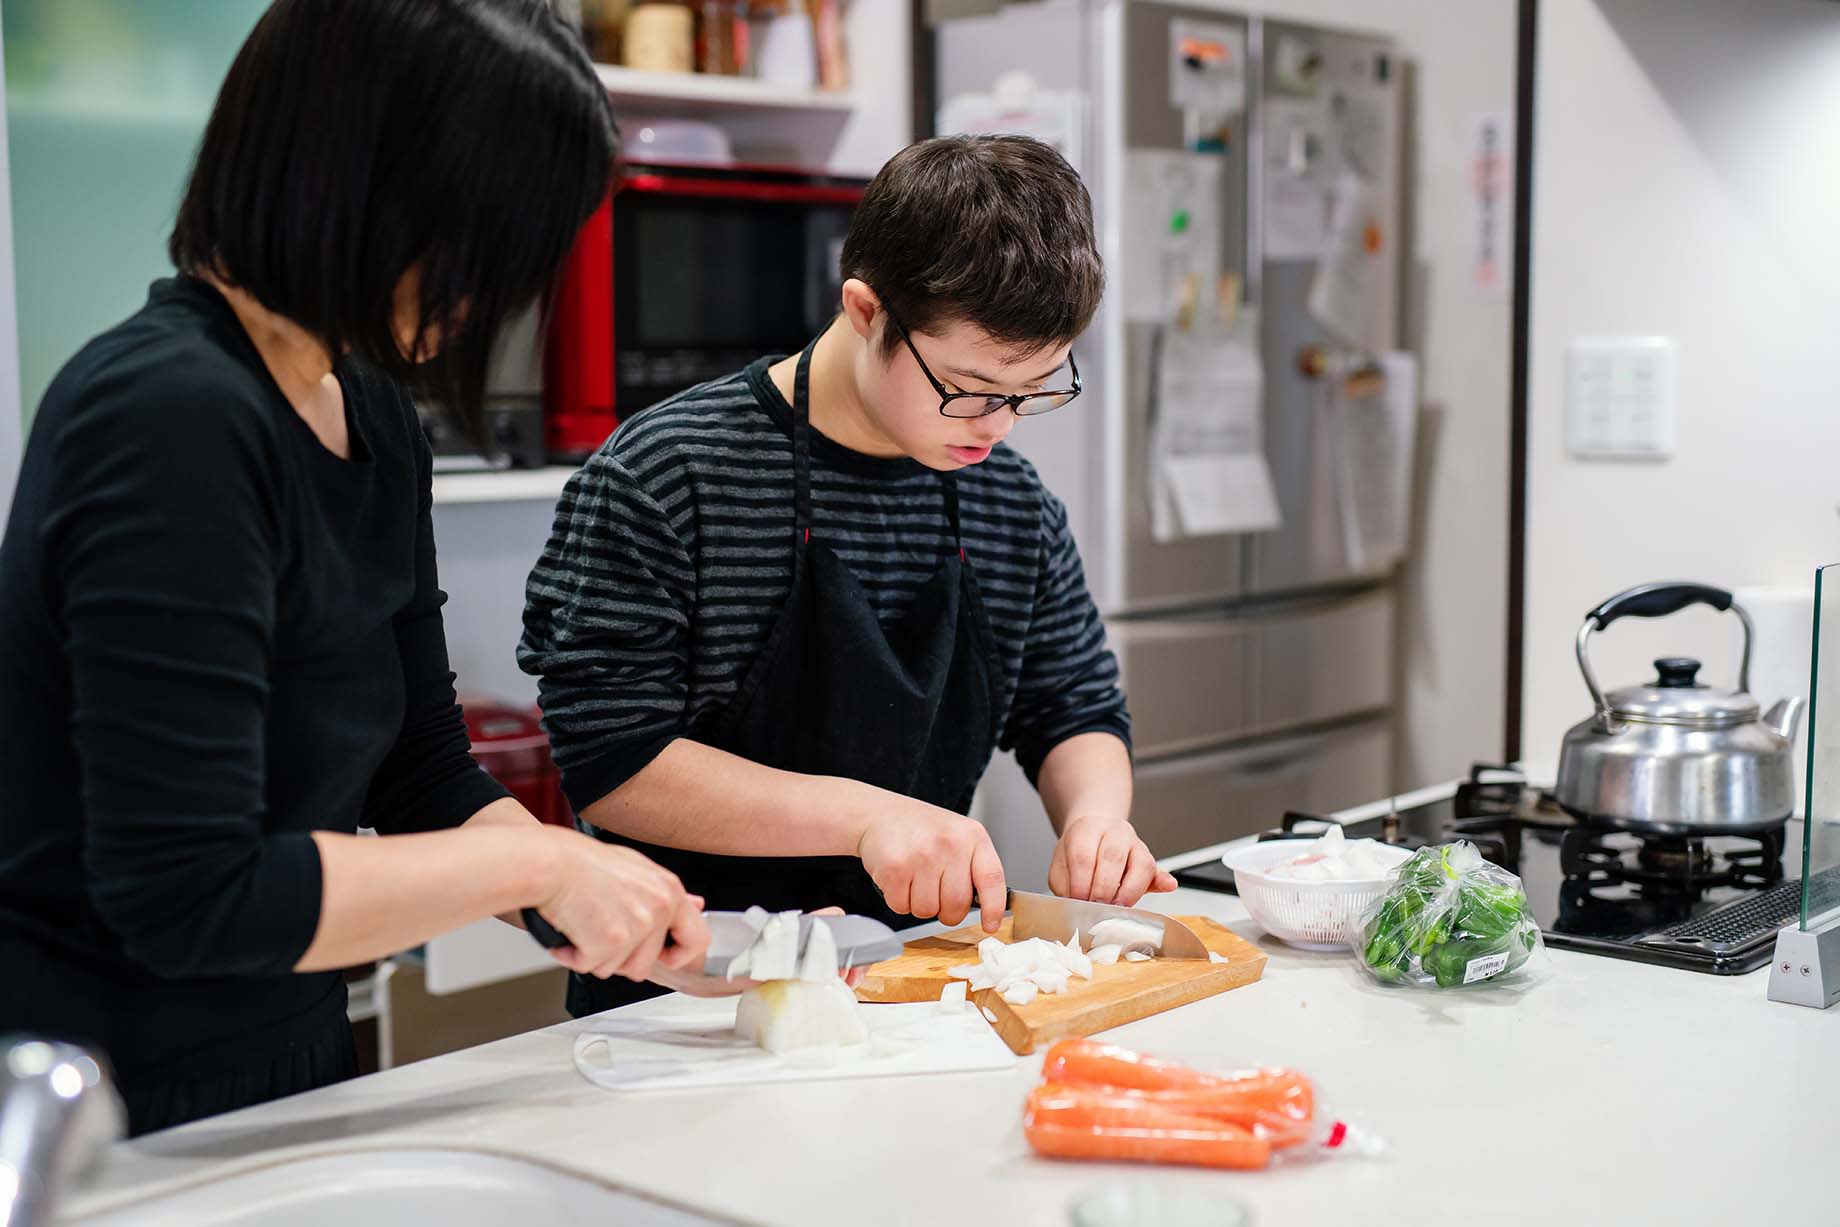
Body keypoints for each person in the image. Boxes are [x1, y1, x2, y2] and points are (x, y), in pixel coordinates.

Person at [0, 0, 724, 1137]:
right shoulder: (166, 416)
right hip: (101, 1098)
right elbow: (192, 893)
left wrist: (588, 897)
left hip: (293, 1057)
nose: (490, 298)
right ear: (369, 187)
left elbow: (421, 771)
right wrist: (536, 871)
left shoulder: (373, 411)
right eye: (485, 247)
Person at [520, 135, 1178, 1017]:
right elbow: (612, 760)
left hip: (914, 991)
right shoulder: (666, 477)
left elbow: (1075, 705)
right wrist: (865, 817)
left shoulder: (1011, 503)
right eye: (972, 388)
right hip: (683, 1001)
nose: (999, 427)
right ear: (866, 311)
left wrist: (1096, 815)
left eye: (1032, 391)